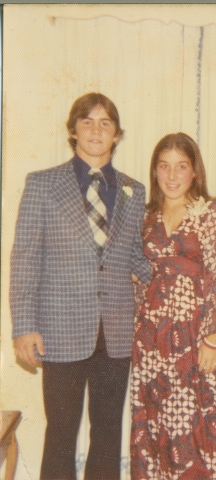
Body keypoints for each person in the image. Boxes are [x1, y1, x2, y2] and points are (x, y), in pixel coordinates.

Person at [9, 92, 151, 480]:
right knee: (61, 433)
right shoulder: (42, 184)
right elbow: (25, 257)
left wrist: (182, 273)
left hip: (117, 332)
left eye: (105, 122)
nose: (96, 130)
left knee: (107, 433)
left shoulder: (133, 190)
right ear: (72, 131)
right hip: (60, 329)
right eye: (87, 121)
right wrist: (23, 325)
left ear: (117, 135)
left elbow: (138, 256)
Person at [130, 132, 216, 479]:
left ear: (195, 172)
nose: (172, 175)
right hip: (151, 342)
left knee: (198, 431)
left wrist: (215, 337)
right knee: (155, 429)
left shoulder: (213, 212)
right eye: (164, 166)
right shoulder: (146, 216)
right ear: (155, 171)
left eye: (181, 166)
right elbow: (139, 277)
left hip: (198, 337)